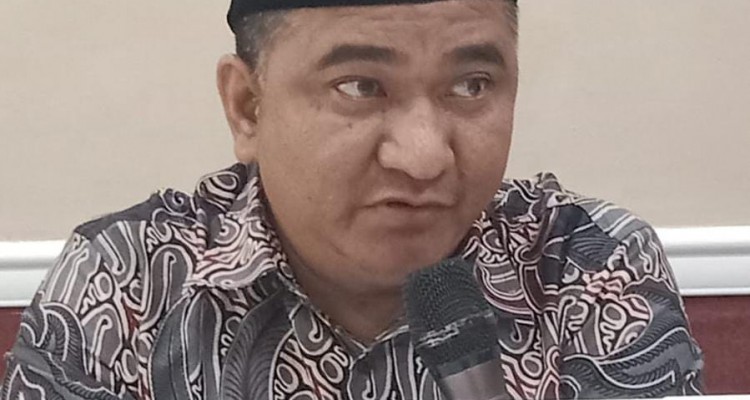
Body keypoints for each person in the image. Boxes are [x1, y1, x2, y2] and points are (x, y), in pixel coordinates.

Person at [1, 0, 703, 398]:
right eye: (361, 87)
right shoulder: (128, 280)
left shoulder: (588, 266)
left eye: (472, 87)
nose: (425, 156)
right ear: (247, 106)